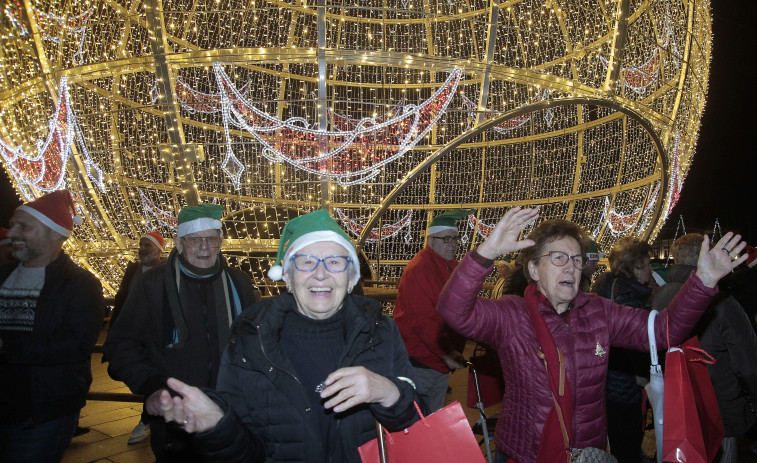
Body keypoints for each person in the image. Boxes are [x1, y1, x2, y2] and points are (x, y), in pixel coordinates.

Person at [436, 207, 745, 463]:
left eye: (576, 260)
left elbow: (664, 331)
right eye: (558, 257)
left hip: (589, 454)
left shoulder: (599, 311)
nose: (570, 267)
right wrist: (486, 252)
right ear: (533, 269)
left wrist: (702, 281)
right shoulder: (512, 315)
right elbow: (453, 311)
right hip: (524, 454)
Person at [152, 209, 424, 463]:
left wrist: (388, 392)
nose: (320, 274)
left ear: (351, 277)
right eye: (306, 262)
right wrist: (219, 427)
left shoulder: (380, 331)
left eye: (334, 262)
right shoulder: (250, 339)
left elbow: (420, 424)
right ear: (287, 276)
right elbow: (247, 453)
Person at [103, 203, 260, 462]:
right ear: (178, 243)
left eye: (212, 238)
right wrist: (151, 386)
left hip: (231, 408)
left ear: (221, 240)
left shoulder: (239, 283)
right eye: (195, 240)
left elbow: (252, 342)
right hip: (174, 415)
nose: (205, 247)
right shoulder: (151, 284)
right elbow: (121, 343)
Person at [0, 190, 104, 462]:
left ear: (55, 234)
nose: (12, 233)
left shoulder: (79, 284)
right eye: (13, 225)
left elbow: (77, 344)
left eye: (24, 226)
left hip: (43, 412)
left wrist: (8, 348)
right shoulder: (2, 276)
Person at [651, 233, 757, 463]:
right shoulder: (723, 302)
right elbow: (747, 364)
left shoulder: (659, 294)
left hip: (678, 404)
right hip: (719, 407)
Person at [393, 209, 471, 411]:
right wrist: (446, 352)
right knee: (420, 421)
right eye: (446, 239)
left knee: (432, 417)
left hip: (437, 361)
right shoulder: (419, 268)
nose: (452, 243)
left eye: (455, 238)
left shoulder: (451, 266)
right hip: (421, 361)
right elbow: (423, 320)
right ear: (431, 240)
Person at [590, 237, 655, 463]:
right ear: (636, 267)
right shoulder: (629, 297)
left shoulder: (606, 285)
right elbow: (639, 342)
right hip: (622, 385)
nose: (651, 268)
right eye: (648, 263)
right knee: (626, 446)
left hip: (603, 381)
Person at [110, 230, 166, 445]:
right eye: (141, 244)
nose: (142, 249)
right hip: (133, 334)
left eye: (147, 245)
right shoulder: (133, 270)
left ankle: (145, 420)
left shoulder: (165, 272)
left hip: (153, 337)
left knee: (154, 378)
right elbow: (122, 298)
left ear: (159, 249)